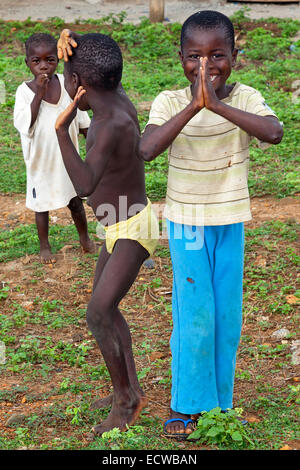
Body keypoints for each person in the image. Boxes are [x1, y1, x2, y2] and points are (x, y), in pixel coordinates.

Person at [139, 10, 283, 439]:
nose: (206, 66)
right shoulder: (168, 101)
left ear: (235, 54)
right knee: (194, 317)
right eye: (194, 57)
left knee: (226, 316)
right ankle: (186, 404)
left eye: (217, 54)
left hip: (228, 222)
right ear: (180, 58)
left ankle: (220, 403)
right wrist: (194, 106)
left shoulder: (245, 98)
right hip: (187, 224)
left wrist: (216, 105)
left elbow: (273, 132)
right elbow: (147, 149)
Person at [55, 32, 159, 435]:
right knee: (105, 308)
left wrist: (62, 133)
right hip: (117, 223)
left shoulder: (107, 124)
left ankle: (125, 400)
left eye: (66, 73)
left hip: (132, 228)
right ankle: (128, 389)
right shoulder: (116, 100)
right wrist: (75, 43)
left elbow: (83, 184)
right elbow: (99, 63)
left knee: (98, 313)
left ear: (78, 85)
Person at [14, 33, 95, 264]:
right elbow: (24, 125)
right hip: (40, 162)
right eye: (36, 61)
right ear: (27, 62)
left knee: (75, 202)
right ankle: (45, 245)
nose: (43, 67)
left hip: (67, 161)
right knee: (42, 208)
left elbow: (83, 122)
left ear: (57, 61)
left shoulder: (67, 84)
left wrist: (94, 146)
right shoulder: (24, 92)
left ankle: (85, 238)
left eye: (50, 60)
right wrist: (39, 93)